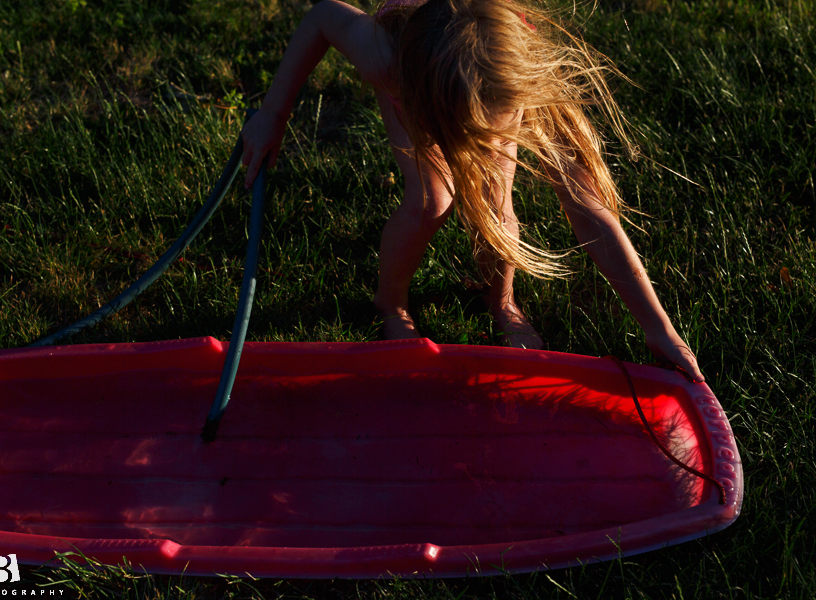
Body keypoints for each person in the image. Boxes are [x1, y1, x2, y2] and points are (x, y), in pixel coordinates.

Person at [239, 0, 704, 381]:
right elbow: (322, 17)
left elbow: (589, 210)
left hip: (464, 72)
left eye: (498, 137)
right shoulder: (384, 57)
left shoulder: (513, 73)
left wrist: (659, 328)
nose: (488, 150)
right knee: (429, 202)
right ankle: (391, 303)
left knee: (496, 207)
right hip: (419, 80)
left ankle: (501, 300)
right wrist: (274, 115)